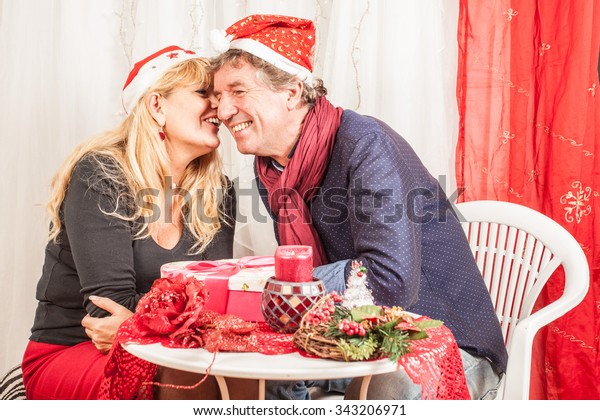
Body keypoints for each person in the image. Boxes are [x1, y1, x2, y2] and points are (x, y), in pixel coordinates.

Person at [209, 15, 508, 400]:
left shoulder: (365, 145)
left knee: (384, 391)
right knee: (253, 378)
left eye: (237, 91)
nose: (224, 110)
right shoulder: (271, 168)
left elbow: (390, 279)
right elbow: (311, 277)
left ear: (291, 92)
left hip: (442, 340)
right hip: (355, 336)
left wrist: (285, 283)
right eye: (218, 98)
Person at [21, 45, 236, 399]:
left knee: (245, 383)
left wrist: (151, 322)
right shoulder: (101, 174)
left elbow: (216, 299)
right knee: (192, 385)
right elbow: (108, 307)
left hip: (169, 348)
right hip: (75, 349)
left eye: (222, 96)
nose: (221, 107)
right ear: (156, 105)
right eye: (204, 93)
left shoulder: (218, 191)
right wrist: (187, 320)